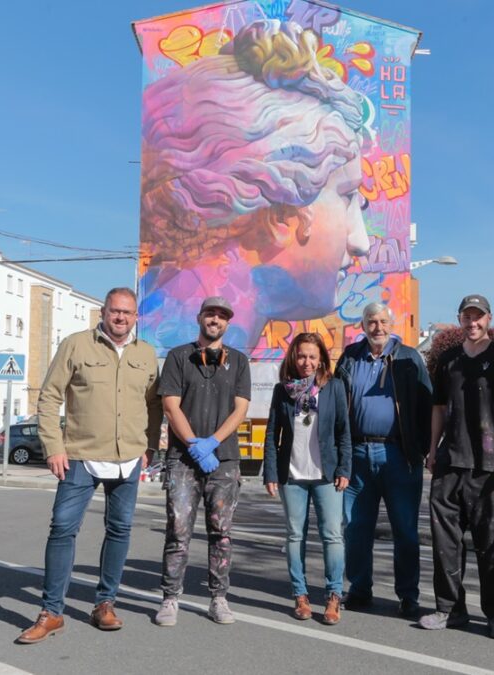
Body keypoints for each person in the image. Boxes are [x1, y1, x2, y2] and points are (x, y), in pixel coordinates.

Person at [138, 19, 373, 351]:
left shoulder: (163, 328)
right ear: (280, 216)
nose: (361, 243)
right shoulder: (176, 349)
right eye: (347, 196)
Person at [16, 287, 163, 644]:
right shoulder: (76, 344)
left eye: (127, 313)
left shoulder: (146, 354)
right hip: (80, 456)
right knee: (63, 529)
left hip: (128, 457)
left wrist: (150, 445)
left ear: (135, 317)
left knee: (120, 530)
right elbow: (49, 396)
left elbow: (153, 405)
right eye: (115, 311)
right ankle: (52, 612)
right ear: (103, 312)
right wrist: (53, 446)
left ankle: (105, 604)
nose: (121, 318)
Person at [420, 295, 494, 639]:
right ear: (460, 319)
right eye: (467, 316)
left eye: (479, 317)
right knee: (445, 543)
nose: (473, 322)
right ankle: (449, 608)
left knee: (491, 545)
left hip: (489, 467)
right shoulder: (448, 360)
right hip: (450, 463)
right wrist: (432, 449)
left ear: (489, 319)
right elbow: (437, 407)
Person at [154, 296, 251, 626]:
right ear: (199, 317)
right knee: (178, 531)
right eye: (210, 313)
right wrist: (195, 444)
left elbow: (240, 409)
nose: (215, 319)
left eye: (222, 316)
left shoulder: (238, 361)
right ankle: (170, 598)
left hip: (223, 461)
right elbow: (170, 405)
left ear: (227, 323)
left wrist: (213, 443)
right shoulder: (179, 357)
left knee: (221, 533)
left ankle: (218, 598)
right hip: (183, 459)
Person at [334, 302, 432, 618]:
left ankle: (408, 596)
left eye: (383, 321)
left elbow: (426, 404)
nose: (378, 327)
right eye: (371, 321)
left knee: (405, 529)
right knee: (356, 527)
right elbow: (336, 405)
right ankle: (360, 590)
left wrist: (422, 449)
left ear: (392, 324)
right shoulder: (350, 357)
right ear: (362, 325)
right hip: (357, 454)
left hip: (399, 455)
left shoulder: (409, 358)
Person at [263, 333, 352, 624]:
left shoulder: (334, 388)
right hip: (293, 475)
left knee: (332, 535)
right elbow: (272, 433)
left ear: (322, 359)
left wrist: (344, 470)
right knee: (294, 535)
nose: (307, 362)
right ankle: (300, 596)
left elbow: (343, 433)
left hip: (326, 475)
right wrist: (271, 473)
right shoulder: (282, 390)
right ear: (293, 357)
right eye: (302, 356)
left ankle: (333, 596)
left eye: (313, 356)